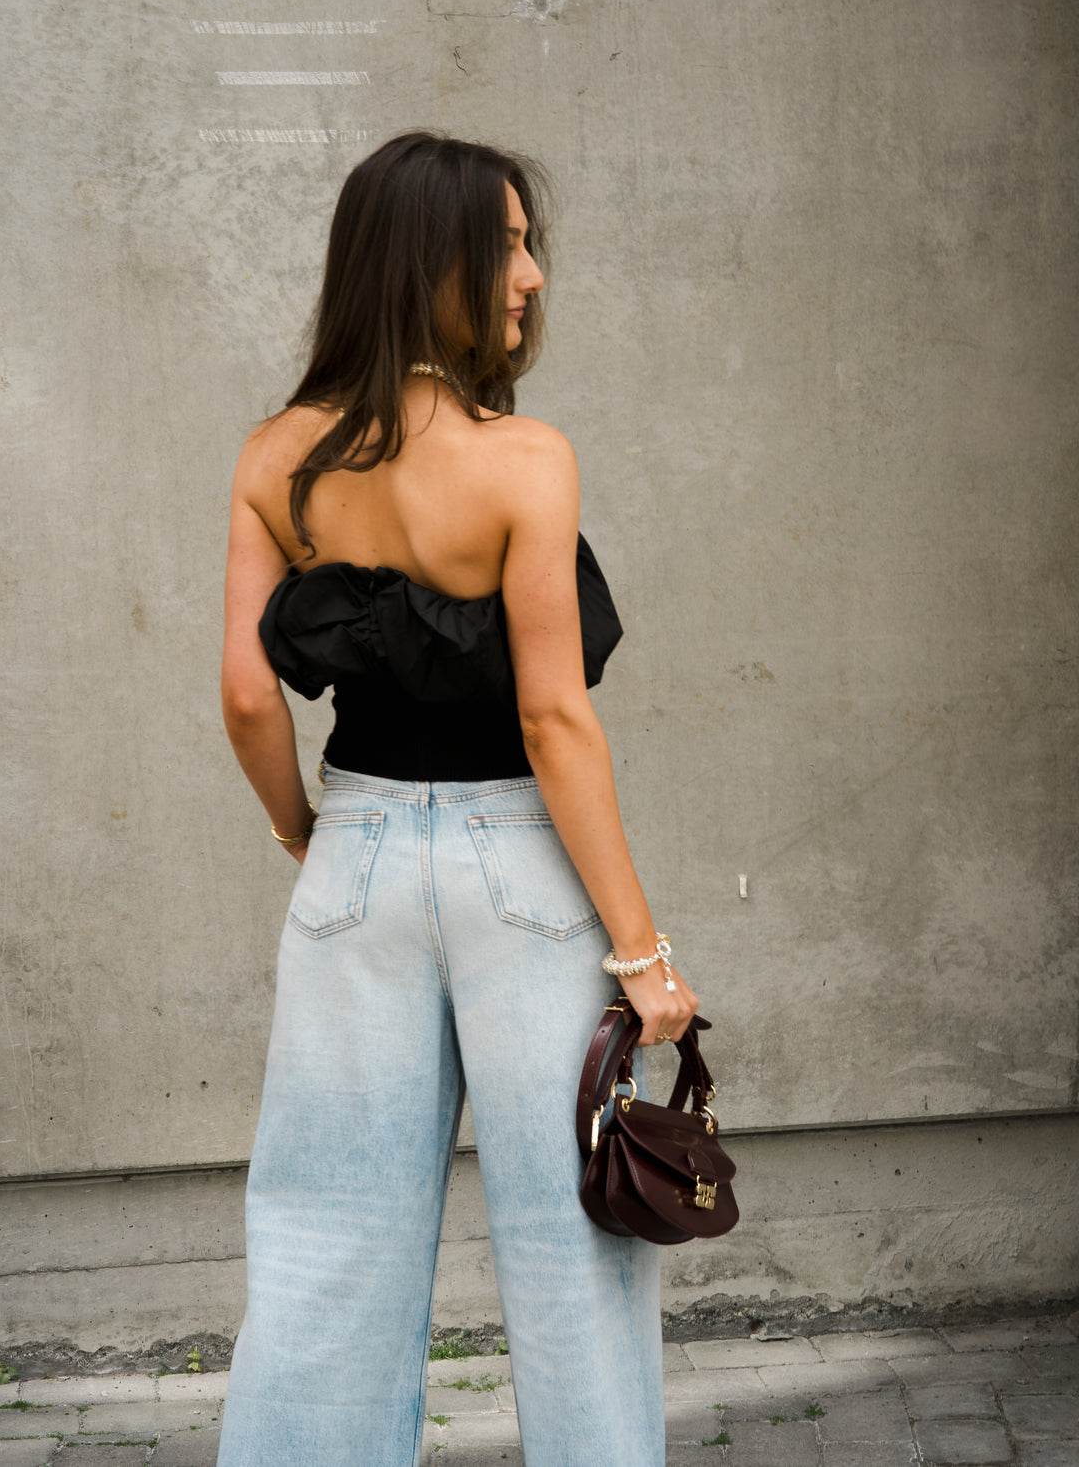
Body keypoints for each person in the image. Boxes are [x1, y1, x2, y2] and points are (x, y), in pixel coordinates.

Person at [215, 131, 699, 1467]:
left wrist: (307, 835)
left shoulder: (274, 460)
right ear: (433, 264)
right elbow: (553, 719)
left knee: (326, 1237)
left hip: (356, 858)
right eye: (510, 246)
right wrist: (644, 952)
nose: (533, 276)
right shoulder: (525, 460)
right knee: (576, 1237)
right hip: (519, 869)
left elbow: (250, 699)